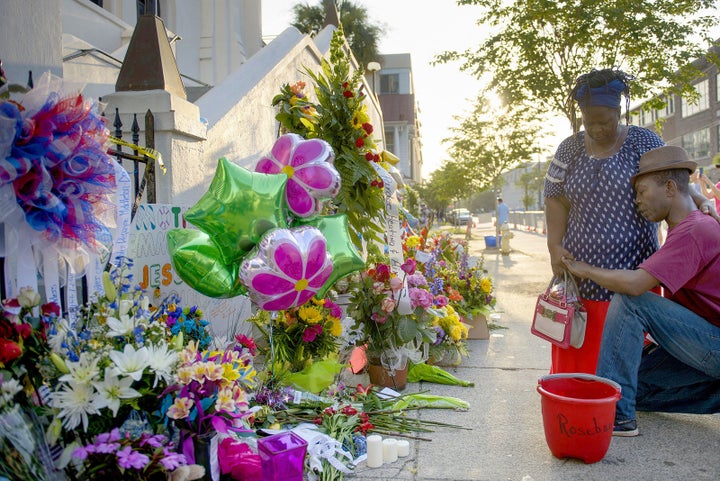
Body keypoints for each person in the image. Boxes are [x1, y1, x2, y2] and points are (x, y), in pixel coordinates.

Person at [543, 68, 715, 374]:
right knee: (580, 355)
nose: (596, 128)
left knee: (624, 354)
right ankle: (578, 400)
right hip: (581, 273)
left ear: (619, 112)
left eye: (604, 121)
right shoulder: (568, 149)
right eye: (589, 121)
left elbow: (672, 175)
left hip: (634, 268)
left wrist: (702, 201)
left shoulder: (642, 141)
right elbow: (555, 197)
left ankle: (620, 403)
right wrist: (554, 245)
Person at [561, 145, 720, 436]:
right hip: (703, 341)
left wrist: (584, 269)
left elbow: (636, 284)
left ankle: (614, 419)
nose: (637, 201)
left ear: (670, 188)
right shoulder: (689, 225)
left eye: (642, 191)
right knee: (634, 388)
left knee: (631, 300)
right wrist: (698, 197)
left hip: (714, 343)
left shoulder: (694, 231)